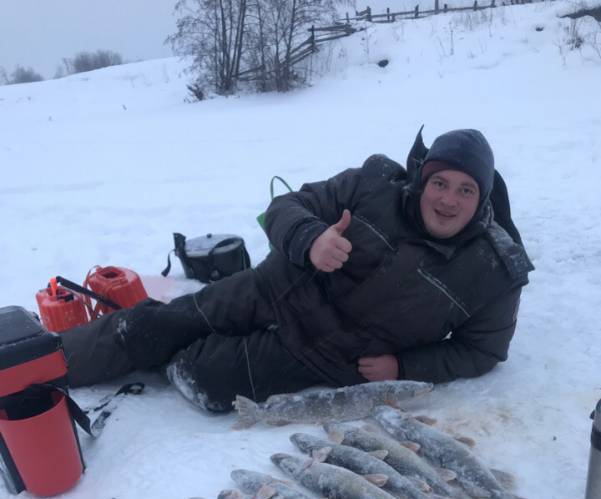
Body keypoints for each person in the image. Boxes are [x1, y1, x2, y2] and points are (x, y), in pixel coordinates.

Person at [62, 127, 533, 411]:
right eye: (440, 182)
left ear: (483, 197)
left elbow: (482, 351)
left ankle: (174, 355)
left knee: (200, 377)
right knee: (151, 324)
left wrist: (405, 366)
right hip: (275, 286)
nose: (448, 200)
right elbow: (289, 204)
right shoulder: (374, 186)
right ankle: (38, 364)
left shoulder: (494, 271)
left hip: (322, 352)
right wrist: (311, 240)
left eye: (466, 190)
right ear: (422, 179)